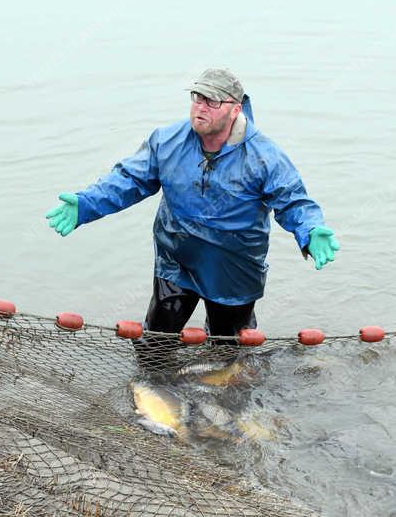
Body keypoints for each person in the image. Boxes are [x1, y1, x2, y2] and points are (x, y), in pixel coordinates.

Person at [45, 69, 339, 364]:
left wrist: (311, 230)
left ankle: (224, 399)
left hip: (233, 270)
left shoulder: (264, 157)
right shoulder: (167, 141)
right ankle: (155, 391)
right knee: (155, 345)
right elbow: (128, 180)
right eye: (197, 97)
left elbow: (293, 201)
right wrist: (85, 205)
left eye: (211, 101)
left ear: (235, 108)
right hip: (176, 262)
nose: (200, 106)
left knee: (229, 354)